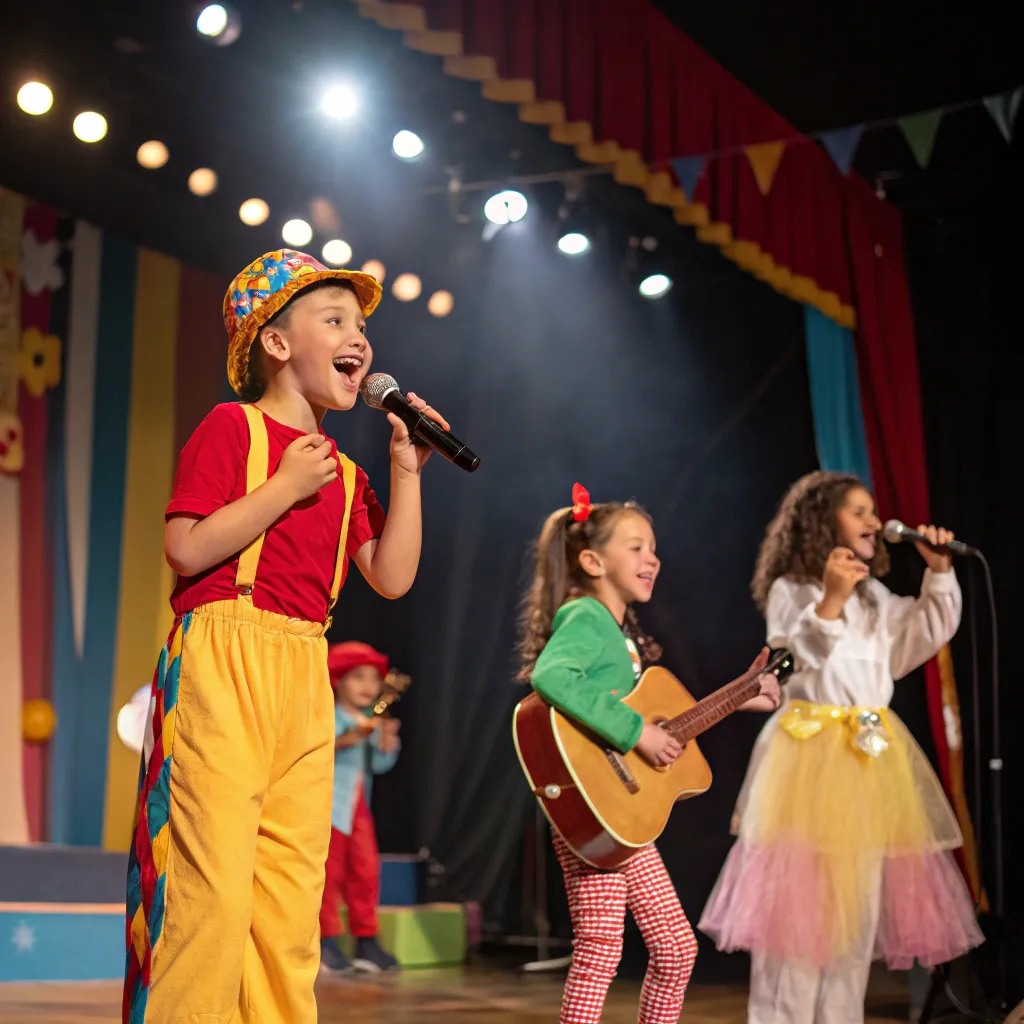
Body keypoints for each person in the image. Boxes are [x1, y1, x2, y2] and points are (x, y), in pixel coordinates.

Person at [123, 249, 449, 1024]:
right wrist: (281, 488)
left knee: (288, 898)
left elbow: (393, 575)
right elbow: (186, 548)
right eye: (334, 320)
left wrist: (407, 468)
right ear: (274, 342)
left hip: (303, 669)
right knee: (210, 890)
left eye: (362, 326)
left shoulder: (345, 473)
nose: (359, 340)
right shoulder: (233, 428)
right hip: (222, 656)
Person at [699, 470, 984, 1023]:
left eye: (872, 512)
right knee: (799, 920)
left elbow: (921, 635)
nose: (875, 522)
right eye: (860, 511)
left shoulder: (875, 597)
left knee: (854, 915)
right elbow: (795, 656)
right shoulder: (793, 590)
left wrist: (940, 574)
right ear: (821, 520)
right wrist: (832, 597)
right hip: (809, 760)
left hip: (870, 760)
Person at [518, 483, 781, 1024]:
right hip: (592, 811)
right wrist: (635, 732)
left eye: (652, 548)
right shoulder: (586, 617)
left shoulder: (618, 633)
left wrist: (741, 697)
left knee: (676, 949)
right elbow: (551, 676)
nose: (651, 557)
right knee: (600, 951)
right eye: (635, 546)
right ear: (591, 560)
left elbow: (670, 725)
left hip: (621, 816)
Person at [319, 641, 401, 975]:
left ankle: (366, 941)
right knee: (328, 874)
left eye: (373, 679)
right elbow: (320, 750)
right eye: (359, 678)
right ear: (339, 680)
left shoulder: (370, 720)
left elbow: (379, 766)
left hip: (357, 807)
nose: (369, 687)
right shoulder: (328, 716)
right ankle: (324, 943)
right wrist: (351, 736)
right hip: (330, 807)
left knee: (366, 872)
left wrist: (386, 742)